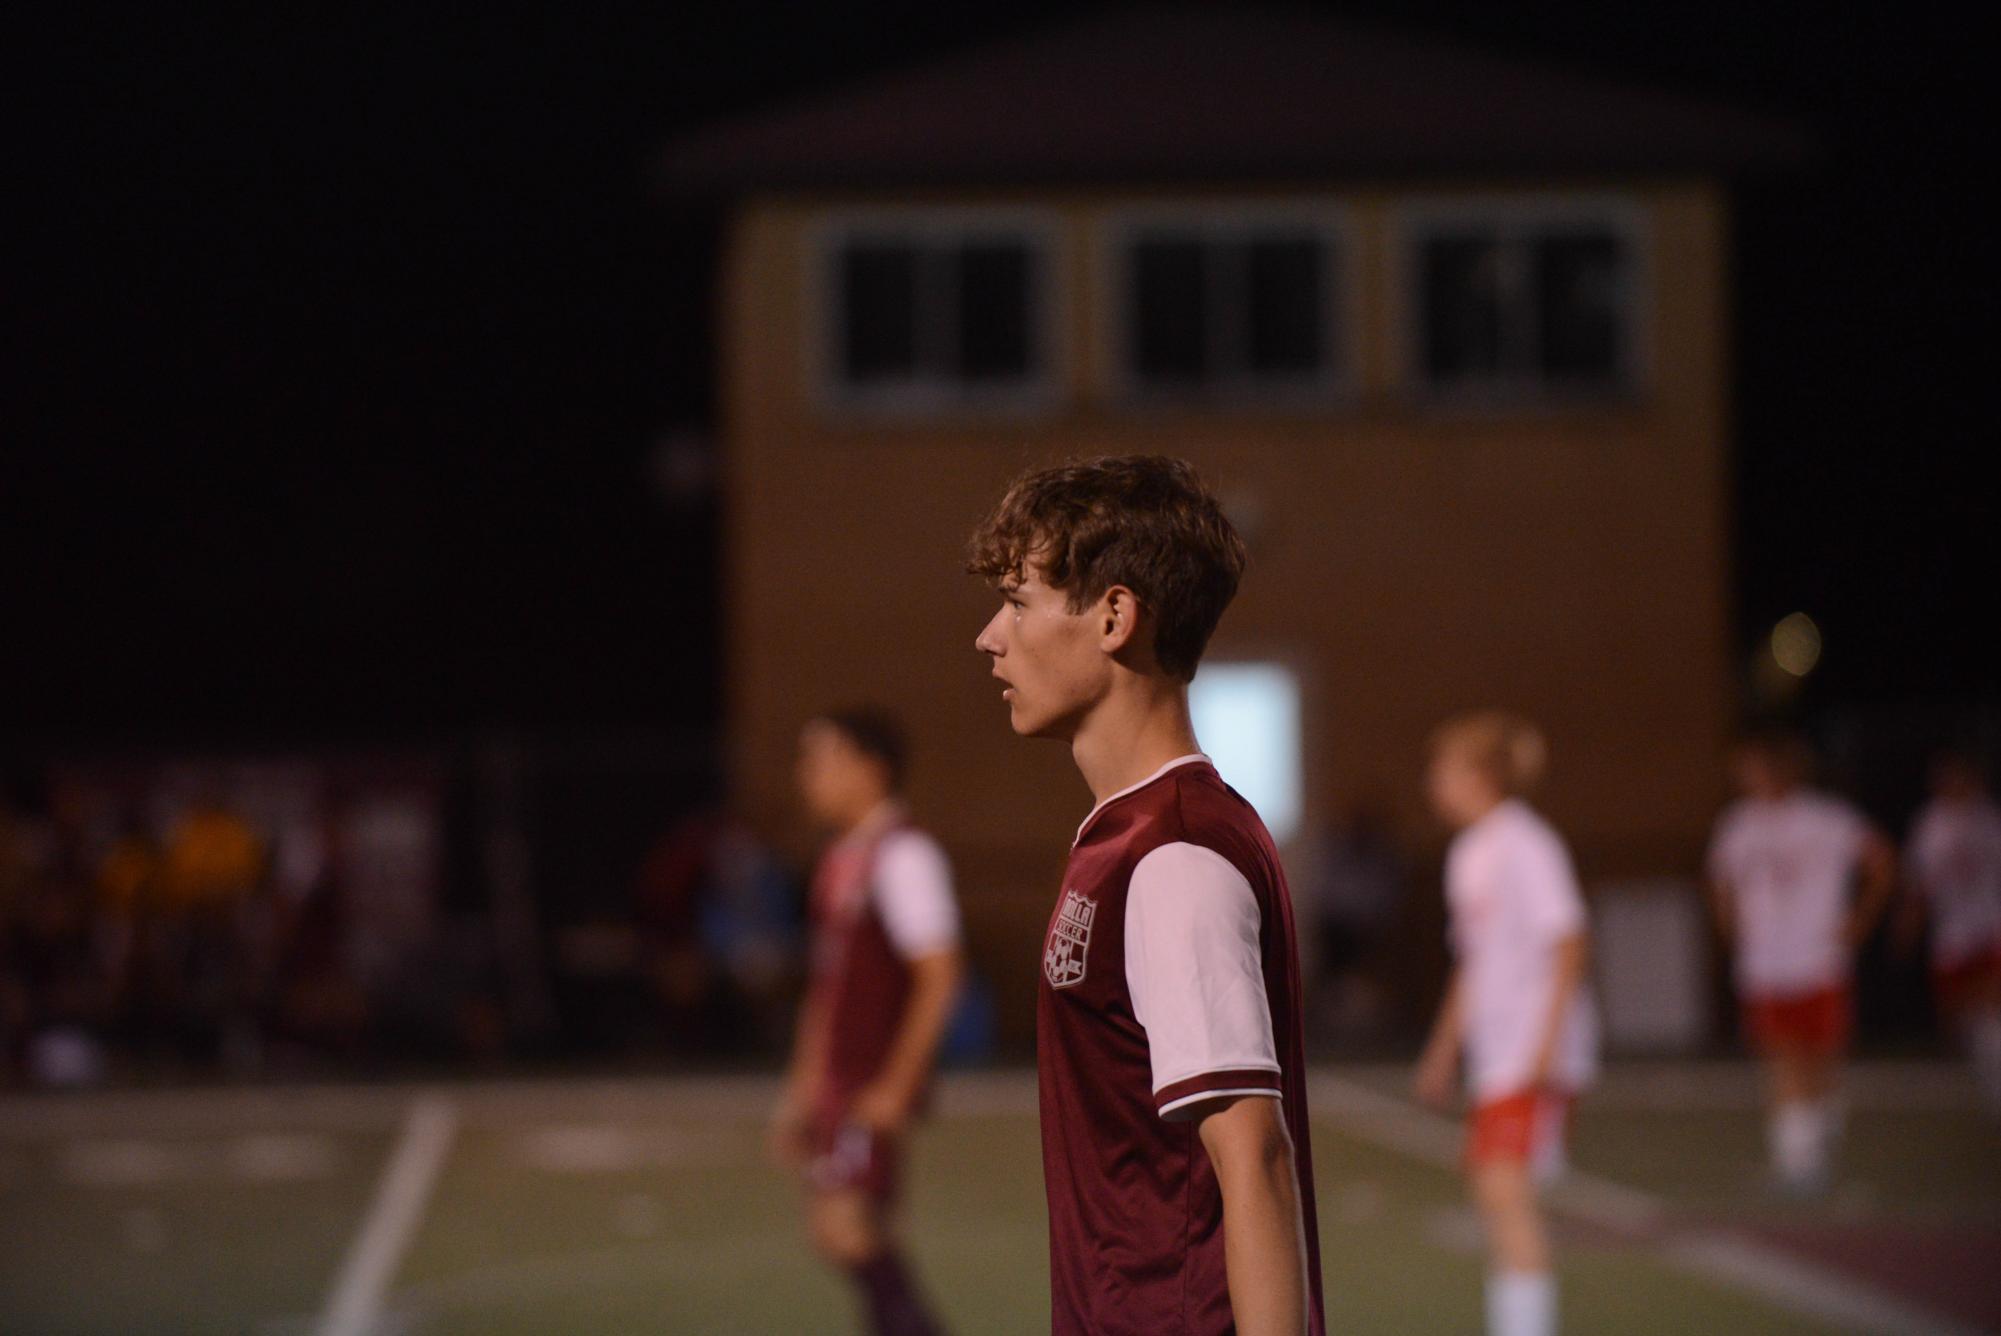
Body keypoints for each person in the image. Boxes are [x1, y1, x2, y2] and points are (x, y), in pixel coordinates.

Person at [968, 455, 1323, 1336]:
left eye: (1018, 603)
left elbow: (1252, 1160)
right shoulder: (1128, 835)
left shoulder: (1175, 853)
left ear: (1115, 616)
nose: (989, 636)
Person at [771, 708, 963, 1336]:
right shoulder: (842, 860)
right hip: (838, 1085)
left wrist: (898, 1083)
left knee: (846, 1226)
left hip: (867, 1085)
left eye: (823, 759)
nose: (808, 776)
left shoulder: (904, 856)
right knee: (840, 1230)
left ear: (872, 769)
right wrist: (802, 1086)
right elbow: (827, 991)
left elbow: (940, 974)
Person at [1414, 712, 1596, 1336]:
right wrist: (1443, 1051)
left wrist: (1547, 1045)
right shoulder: (1469, 853)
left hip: (1528, 1052)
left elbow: (1569, 941)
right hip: (1499, 1055)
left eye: (1444, 771)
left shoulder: (1525, 841)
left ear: (1483, 775)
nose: (1433, 784)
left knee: (1506, 1196)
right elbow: (1474, 961)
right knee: (1497, 1195)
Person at [1706, 729, 1895, 1193]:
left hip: (1818, 959)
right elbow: (1720, 880)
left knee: (1822, 1057)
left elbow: (1881, 861)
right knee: (1780, 1055)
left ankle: (1817, 1137)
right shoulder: (1738, 824)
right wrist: (1732, 930)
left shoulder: (1825, 817)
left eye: (1751, 765)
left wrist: (1859, 920)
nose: (1744, 776)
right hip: (1765, 965)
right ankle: (1797, 1159)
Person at [1900, 750, 2001, 1112]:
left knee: (1991, 1005)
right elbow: (1919, 882)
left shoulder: (1990, 820)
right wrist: (1909, 924)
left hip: (1990, 927)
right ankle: (1979, 1073)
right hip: (1951, 934)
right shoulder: (1930, 823)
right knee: (1958, 1014)